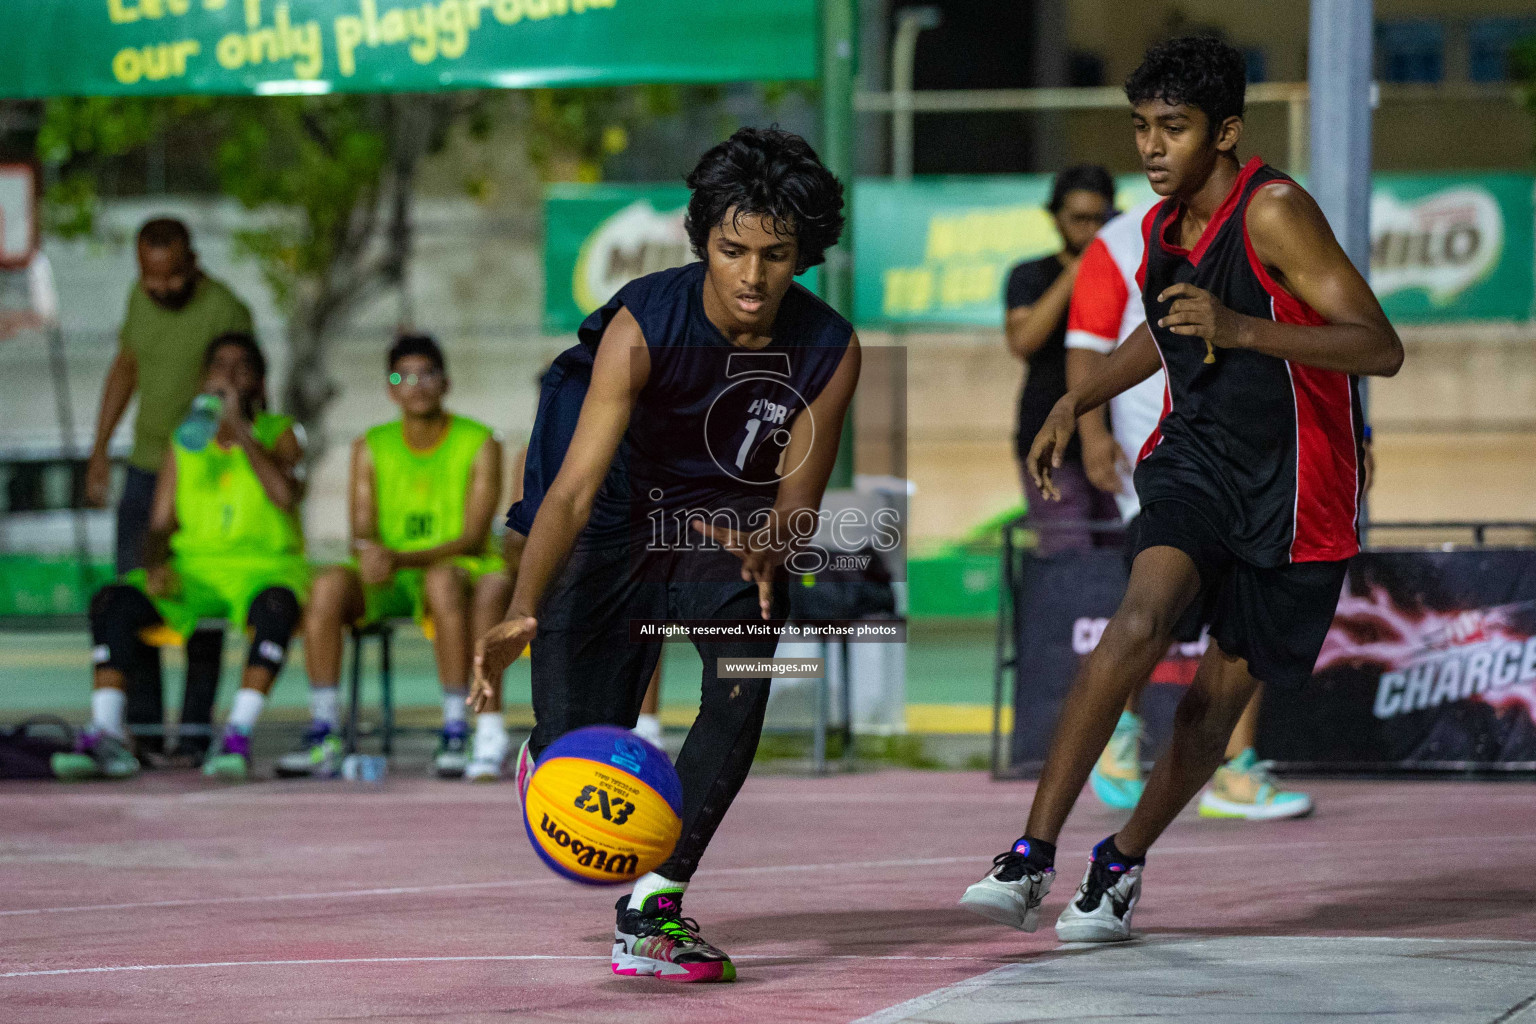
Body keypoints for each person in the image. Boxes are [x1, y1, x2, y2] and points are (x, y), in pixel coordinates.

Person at [960, 36, 1402, 942]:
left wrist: (1242, 327)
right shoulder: (1161, 229)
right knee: (1139, 618)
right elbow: (1165, 335)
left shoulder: (1275, 211)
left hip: (1296, 492)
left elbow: (1378, 346)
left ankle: (1119, 863)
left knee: (1210, 705)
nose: (1152, 147)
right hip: (1196, 458)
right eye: (1141, 128)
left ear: (1227, 131)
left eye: (1174, 128)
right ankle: (1030, 854)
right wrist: (1075, 399)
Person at [473, 127, 858, 983]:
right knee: (575, 751)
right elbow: (572, 492)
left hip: (716, 522)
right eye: (733, 250)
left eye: (776, 254)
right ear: (703, 241)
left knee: (749, 655)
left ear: (805, 255)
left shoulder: (828, 349)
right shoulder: (647, 320)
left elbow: (799, 507)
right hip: (610, 509)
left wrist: (773, 547)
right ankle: (555, 739)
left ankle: (655, 908)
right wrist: (519, 610)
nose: (753, 276)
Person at [1068, 200, 1316, 821]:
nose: (1159, 147)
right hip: (1162, 457)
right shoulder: (1122, 240)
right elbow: (1087, 344)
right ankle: (1120, 736)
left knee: (1245, 610)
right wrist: (1093, 433)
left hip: (1251, 458)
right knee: (1158, 611)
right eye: (1149, 129)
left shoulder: (1266, 224)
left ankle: (1235, 771)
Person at [54, 332, 307, 783]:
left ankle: (237, 736)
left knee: (277, 609)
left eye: (241, 367)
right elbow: (159, 524)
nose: (227, 376)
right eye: (218, 367)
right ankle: (108, 733)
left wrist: (241, 431)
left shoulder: (281, 432)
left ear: (259, 382)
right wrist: (154, 565)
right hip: (197, 574)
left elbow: (285, 494)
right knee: (113, 602)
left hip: (264, 571)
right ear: (202, 381)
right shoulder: (184, 442)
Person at [288, 334, 512, 781]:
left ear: (445, 383)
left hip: (459, 570)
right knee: (327, 586)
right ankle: (325, 730)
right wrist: (371, 553)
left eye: (427, 374)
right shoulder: (370, 445)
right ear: (390, 389)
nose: (416, 385)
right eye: (402, 376)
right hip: (393, 574)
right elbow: (363, 530)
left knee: (442, 582)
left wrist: (399, 559)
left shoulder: (480, 441)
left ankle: (454, 729)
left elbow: (472, 536)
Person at [84, 218, 256, 762]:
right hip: (142, 466)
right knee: (137, 592)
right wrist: (98, 451)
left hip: (200, 470)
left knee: (195, 595)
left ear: (193, 261)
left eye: (171, 276)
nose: (159, 288)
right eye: (149, 276)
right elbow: (126, 368)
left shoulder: (226, 310)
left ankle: (196, 732)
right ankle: (143, 732)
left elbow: (251, 387)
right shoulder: (140, 300)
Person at [1003, 166, 1120, 555]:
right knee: (1067, 555)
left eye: (1097, 219)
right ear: (1055, 217)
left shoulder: (1123, 272)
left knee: (1123, 554)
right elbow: (1023, 340)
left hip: (1117, 436)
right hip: (1048, 434)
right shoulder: (1030, 275)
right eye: (1078, 219)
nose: (1088, 229)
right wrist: (1078, 272)